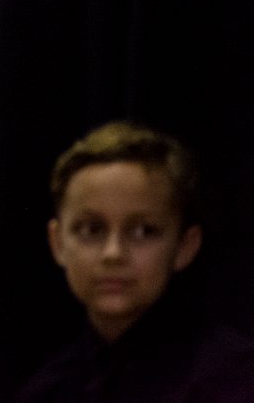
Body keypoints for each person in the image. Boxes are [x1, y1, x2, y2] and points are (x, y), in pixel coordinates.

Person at [16, 120, 254, 402]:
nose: (113, 253)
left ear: (185, 246)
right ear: (57, 243)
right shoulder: (48, 390)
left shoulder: (234, 379)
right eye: (91, 229)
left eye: (143, 231)